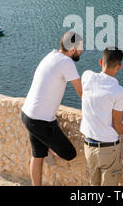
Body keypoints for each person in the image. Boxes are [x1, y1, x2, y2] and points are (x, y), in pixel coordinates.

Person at [21, 31, 83, 186]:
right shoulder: (67, 62)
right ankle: (49, 147)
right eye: (81, 48)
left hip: (27, 115)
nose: (82, 51)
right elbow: (81, 92)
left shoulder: (51, 55)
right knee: (69, 153)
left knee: (37, 155)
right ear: (73, 49)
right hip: (41, 121)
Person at [80, 47, 123, 186]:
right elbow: (117, 125)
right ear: (119, 66)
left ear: (100, 62)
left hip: (89, 146)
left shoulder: (87, 76)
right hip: (108, 148)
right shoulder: (119, 92)